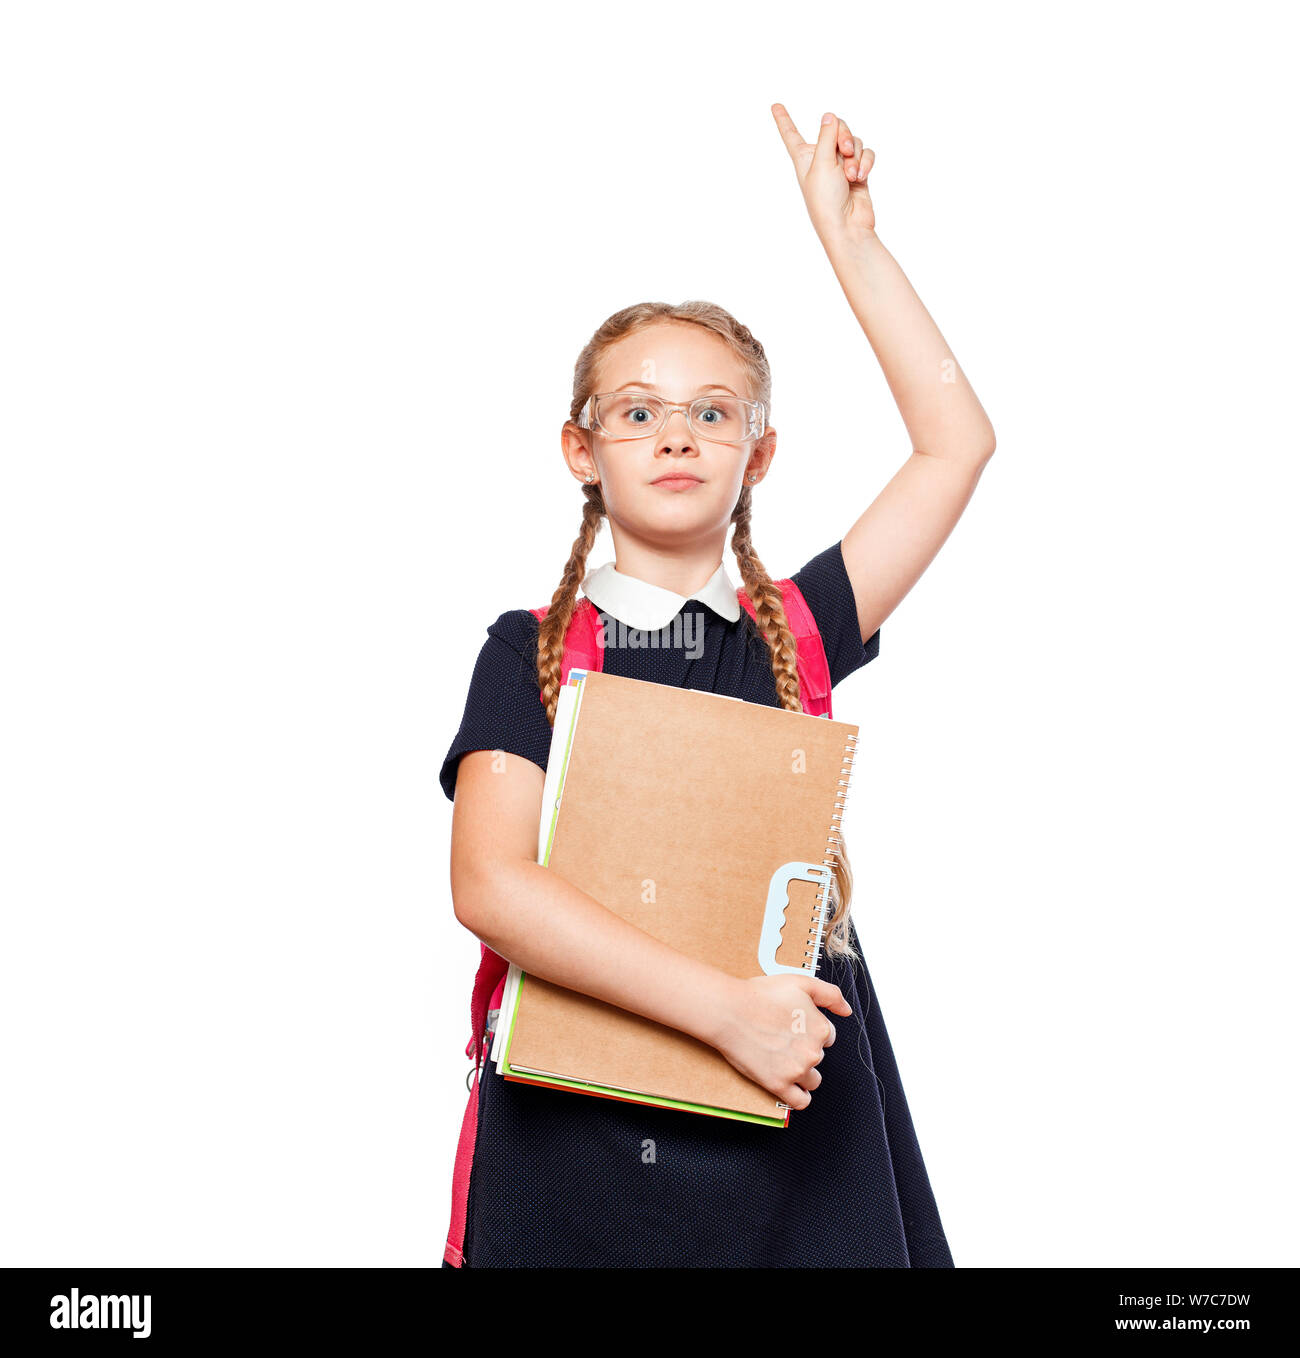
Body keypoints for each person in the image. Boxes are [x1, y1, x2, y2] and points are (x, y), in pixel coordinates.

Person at [439, 105, 996, 1267]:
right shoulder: (532, 647)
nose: (677, 434)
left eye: (712, 411)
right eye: (637, 412)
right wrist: (724, 1011)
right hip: (584, 1125)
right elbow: (491, 883)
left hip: (792, 1118)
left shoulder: (793, 630)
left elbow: (955, 444)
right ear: (581, 451)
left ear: (760, 450)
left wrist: (853, 245)